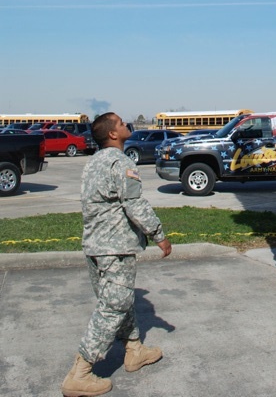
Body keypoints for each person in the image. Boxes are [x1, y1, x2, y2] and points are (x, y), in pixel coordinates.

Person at [61, 113, 172, 397]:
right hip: (115, 248)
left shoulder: (93, 163)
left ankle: (134, 350)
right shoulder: (120, 162)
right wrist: (159, 235)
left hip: (95, 248)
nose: (126, 126)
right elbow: (134, 204)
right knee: (113, 307)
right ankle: (81, 372)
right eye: (122, 123)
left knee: (121, 302)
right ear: (112, 134)